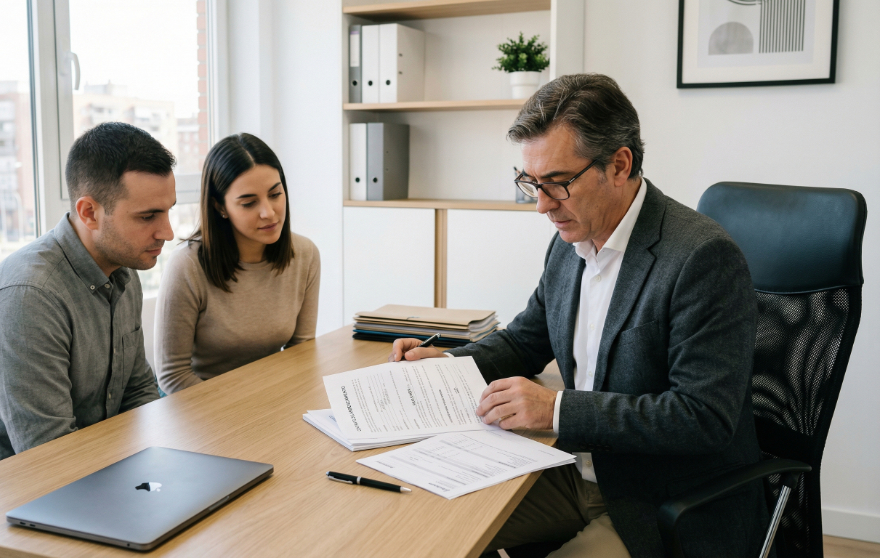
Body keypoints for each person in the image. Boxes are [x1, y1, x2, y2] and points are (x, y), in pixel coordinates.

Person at [389, 74, 767, 557]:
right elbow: (524, 341)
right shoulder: (569, 241)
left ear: (619, 165)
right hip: (569, 473)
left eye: (558, 183)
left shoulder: (701, 258)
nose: (542, 205)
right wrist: (446, 366)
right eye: (531, 183)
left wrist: (557, 410)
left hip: (656, 502)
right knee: (427, 523)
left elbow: (702, 417)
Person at [0, 122, 173, 485]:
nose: (167, 232)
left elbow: (138, 393)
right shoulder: (27, 298)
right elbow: (50, 455)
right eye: (147, 216)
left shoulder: (123, 271)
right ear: (89, 212)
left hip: (84, 475)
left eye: (167, 211)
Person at [154, 133, 320, 394]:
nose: (268, 212)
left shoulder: (305, 254)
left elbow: (301, 350)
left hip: (268, 397)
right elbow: (173, 377)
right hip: (198, 405)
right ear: (220, 207)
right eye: (249, 203)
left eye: (275, 194)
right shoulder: (186, 266)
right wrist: (241, 414)